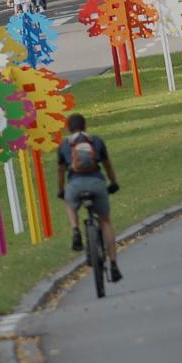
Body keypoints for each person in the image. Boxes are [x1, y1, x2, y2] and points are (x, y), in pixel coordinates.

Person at [57, 113, 124, 283]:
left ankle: (75, 229)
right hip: (96, 184)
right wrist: (113, 182)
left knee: (70, 204)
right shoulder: (96, 141)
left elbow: (60, 171)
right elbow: (107, 165)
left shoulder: (65, 145)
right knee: (105, 221)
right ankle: (114, 264)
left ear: (68, 128)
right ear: (85, 126)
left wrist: (61, 190)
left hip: (75, 186)